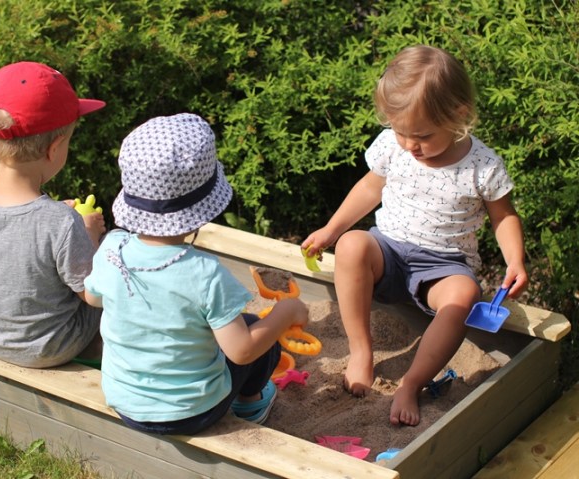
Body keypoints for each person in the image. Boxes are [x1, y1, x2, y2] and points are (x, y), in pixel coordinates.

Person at [301, 45, 528, 426]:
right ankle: (361, 350)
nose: (410, 144)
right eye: (401, 131)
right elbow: (369, 188)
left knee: (463, 296)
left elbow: (503, 216)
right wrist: (332, 229)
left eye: (421, 135)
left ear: (458, 115)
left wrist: (515, 260)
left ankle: (412, 383)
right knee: (352, 244)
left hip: (443, 265)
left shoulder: (482, 166)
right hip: (388, 249)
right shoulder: (394, 146)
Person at [83, 113, 309, 435]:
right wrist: (285, 313)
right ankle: (251, 404)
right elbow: (242, 351)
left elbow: (93, 298)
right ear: (202, 208)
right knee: (258, 333)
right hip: (192, 412)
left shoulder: (112, 248)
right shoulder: (205, 274)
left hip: (125, 401)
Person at [0, 61, 107, 368]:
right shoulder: (61, 223)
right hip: (52, 345)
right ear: (54, 148)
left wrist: (60, 222)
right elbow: (92, 294)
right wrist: (90, 237)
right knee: (115, 287)